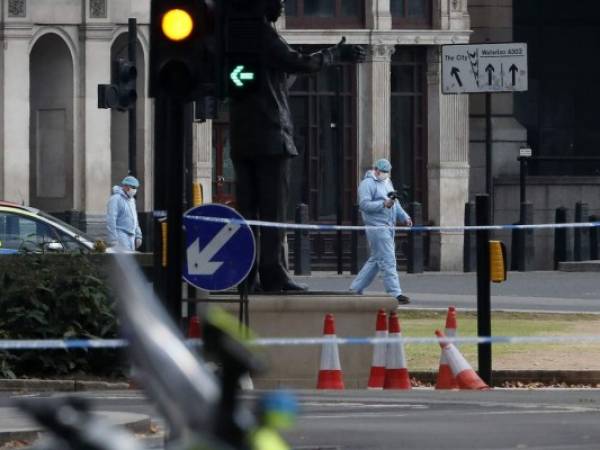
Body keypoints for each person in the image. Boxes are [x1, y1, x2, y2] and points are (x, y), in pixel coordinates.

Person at [230, 0, 366, 292]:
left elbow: (275, 73)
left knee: (248, 212)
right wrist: (334, 53)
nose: (281, 5)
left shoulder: (236, 34)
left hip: (243, 138)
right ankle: (273, 274)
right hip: (270, 135)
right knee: (272, 212)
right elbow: (299, 63)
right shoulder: (263, 34)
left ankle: (246, 275)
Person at [350, 159, 413, 305]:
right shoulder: (367, 184)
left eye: (386, 172)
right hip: (376, 226)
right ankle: (395, 293)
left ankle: (355, 289)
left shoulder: (387, 182)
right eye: (382, 171)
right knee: (388, 259)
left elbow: (394, 203)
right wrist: (382, 204)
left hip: (388, 226)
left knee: (376, 261)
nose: (384, 174)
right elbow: (364, 205)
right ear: (376, 170)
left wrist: (404, 217)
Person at [106, 175, 142, 251]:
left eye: (136, 188)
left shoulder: (131, 200)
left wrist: (138, 235)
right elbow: (111, 219)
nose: (134, 190)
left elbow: (135, 219)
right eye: (133, 187)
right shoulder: (116, 199)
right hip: (120, 235)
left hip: (132, 236)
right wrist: (113, 239)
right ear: (125, 186)